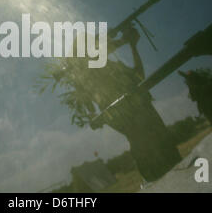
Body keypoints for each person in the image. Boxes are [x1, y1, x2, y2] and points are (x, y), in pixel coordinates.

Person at [45, 24, 181, 182]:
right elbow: (137, 77)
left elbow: (138, 77)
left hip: (155, 138)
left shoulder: (101, 76)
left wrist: (129, 43)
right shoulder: (93, 81)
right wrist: (127, 42)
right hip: (151, 140)